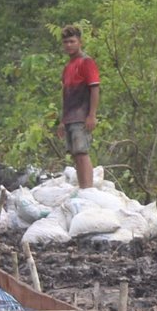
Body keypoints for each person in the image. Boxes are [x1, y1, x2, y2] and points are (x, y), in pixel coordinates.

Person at [58, 25, 100, 189]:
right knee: (75, 154)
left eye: (72, 41)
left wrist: (92, 115)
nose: (69, 45)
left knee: (82, 153)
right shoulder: (68, 67)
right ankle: (83, 188)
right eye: (66, 42)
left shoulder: (86, 62)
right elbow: (65, 95)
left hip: (81, 115)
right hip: (70, 116)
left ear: (79, 42)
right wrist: (62, 121)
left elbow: (95, 89)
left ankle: (88, 189)